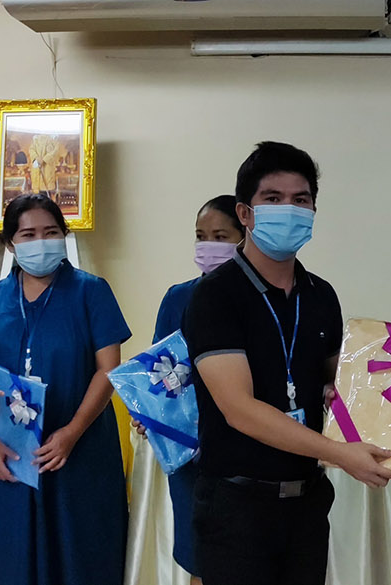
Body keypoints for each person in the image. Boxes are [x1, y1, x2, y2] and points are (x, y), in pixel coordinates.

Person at [184, 141, 391, 585]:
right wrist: (340, 454)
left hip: (306, 503)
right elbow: (239, 409)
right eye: (273, 198)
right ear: (245, 213)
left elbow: (341, 379)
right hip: (236, 506)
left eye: (301, 200)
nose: (289, 210)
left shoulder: (321, 295)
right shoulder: (215, 296)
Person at [0, 193, 132, 585]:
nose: (41, 242)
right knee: (13, 555)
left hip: (79, 444)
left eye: (51, 232)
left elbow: (109, 368)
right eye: (29, 234)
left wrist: (72, 432)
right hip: (8, 448)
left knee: (82, 554)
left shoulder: (91, 291)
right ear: (10, 243)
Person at [150, 194, 245, 583]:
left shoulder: (262, 299)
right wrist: (151, 412)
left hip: (249, 447)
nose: (208, 247)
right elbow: (156, 372)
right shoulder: (179, 298)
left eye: (220, 237)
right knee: (200, 556)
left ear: (245, 237)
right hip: (191, 451)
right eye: (200, 236)